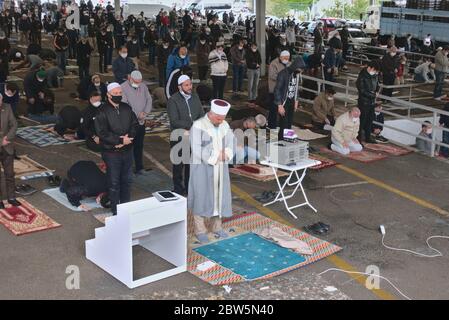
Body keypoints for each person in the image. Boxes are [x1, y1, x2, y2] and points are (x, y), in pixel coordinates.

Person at [188, 99, 234, 244]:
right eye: (219, 119)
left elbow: (230, 142)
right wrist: (215, 156)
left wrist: (226, 153)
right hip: (202, 168)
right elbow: (196, 149)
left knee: (219, 197)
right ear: (211, 114)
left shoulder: (224, 124)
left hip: (220, 168)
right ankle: (200, 230)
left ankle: (217, 227)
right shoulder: (198, 125)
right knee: (201, 197)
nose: (221, 121)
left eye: (223, 119)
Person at [94, 82, 138, 215]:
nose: (118, 96)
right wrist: (119, 141)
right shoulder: (102, 111)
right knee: (114, 183)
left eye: (120, 94)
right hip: (111, 153)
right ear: (108, 95)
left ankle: (125, 207)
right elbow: (102, 133)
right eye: (115, 94)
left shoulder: (126, 108)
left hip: (127, 150)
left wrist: (127, 139)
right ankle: (115, 210)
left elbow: (134, 125)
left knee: (127, 181)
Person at [167, 75, 205, 195]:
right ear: (180, 87)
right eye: (186, 85)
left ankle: (189, 188)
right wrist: (192, 125)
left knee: (190, 165)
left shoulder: (195, 97)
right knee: (178, 165)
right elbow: (174, 120)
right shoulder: (173, 100)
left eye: (190, 84)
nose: (190, 87)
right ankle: (178, 189)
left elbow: (201, 114)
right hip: (178, 137)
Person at [121, 71, 152, 175]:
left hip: (141, 122)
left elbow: (149, 99)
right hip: (129, 124)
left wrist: (145, 112)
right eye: (136, 82)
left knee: (139, 145)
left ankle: (139, 167)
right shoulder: (123, 88)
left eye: (140, 82)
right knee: (127, 147)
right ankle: (127, 169)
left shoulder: (143, 86)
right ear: (130, 78)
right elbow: (124, 106)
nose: (138, 84)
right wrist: (135, 116)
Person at [273, 56, 305, 141]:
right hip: (283, 102)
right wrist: (279, 105)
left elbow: (296, 88)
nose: (301, 72)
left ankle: (287, 138)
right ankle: (281, 140)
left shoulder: (296, 75)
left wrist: (296, 100)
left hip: (291, 101)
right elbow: (277, 90)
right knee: (283, 123)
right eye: (300, 69)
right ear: (296, 67)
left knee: (289, 122)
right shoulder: (283, 74)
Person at [0, 93, 20, 209]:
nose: (0, 104)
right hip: (2, 143)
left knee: (10, 174)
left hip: (7, 146)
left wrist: (7, 138)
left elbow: (14, 124)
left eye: (1, 101)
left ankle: (11, 197)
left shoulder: (7, 107)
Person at [356, 60, 381, 143]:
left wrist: (377, 91)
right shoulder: (362, 75)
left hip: (372, 102)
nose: (375, 72)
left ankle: (368, 137)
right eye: (375, 70)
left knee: (370, 120)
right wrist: (373, 95)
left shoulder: (375, 75)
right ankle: (359, 138)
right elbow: (362, 90)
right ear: (370, 68)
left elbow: (377, 84)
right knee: (362, 120)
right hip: (364, 102)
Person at [268, 50, 290, 128]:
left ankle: (281, 127)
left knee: (283, 110)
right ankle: (271, 126)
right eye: (285, 58)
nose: (287, 60)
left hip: (284, 92)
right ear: (280, 57)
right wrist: (283, 78)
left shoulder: (288, 63)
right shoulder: (274, 63)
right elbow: (272, 76)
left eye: (288, 58)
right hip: (274, 90)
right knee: (273, 110)